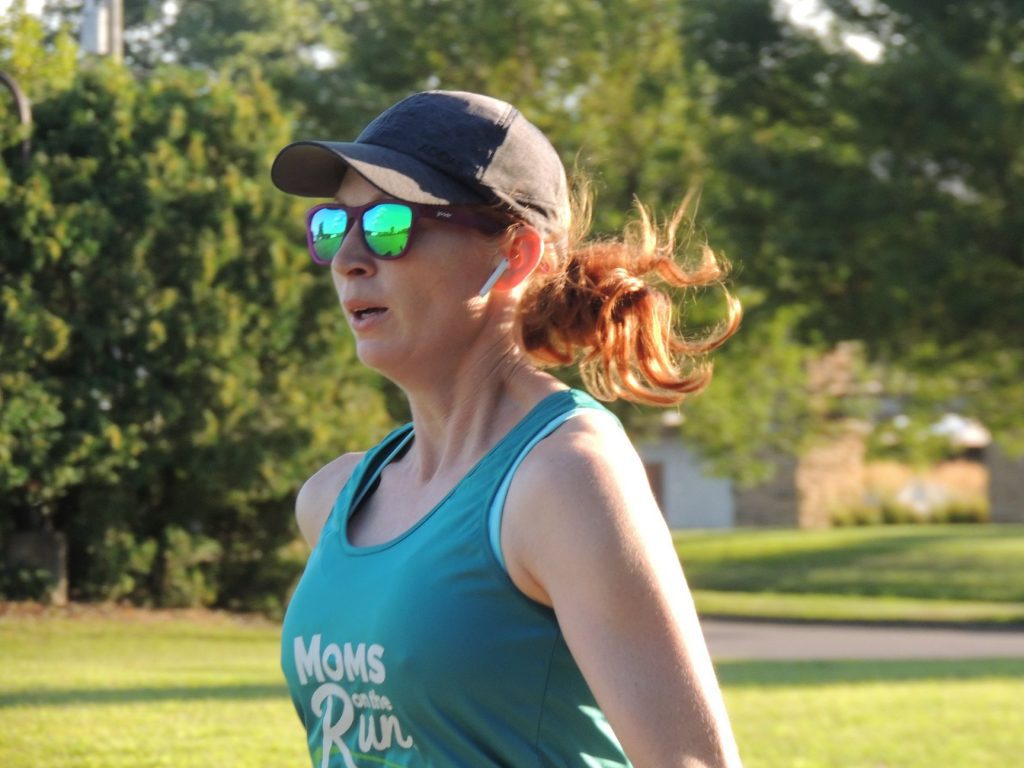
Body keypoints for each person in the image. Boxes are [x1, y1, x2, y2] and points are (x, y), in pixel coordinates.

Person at [271, 90, 743, 768]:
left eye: (388, 225)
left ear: (517, 255)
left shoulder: (565, 478)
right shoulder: (335, 500)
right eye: (332, 226)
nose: (348, 257)